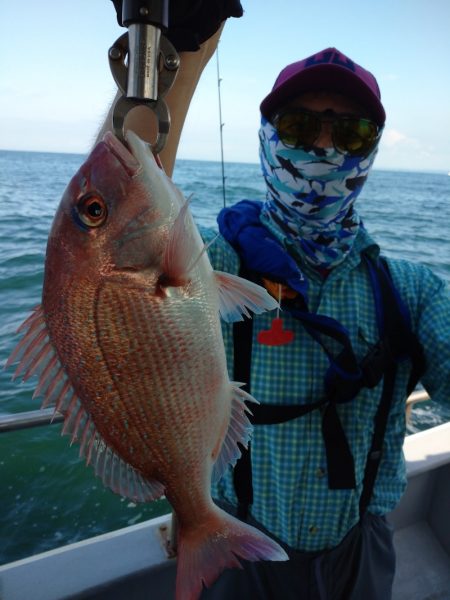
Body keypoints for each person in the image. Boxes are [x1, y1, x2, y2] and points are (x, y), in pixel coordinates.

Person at [100, 7, 450, 598]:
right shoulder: (209, 265)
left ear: (373, 150)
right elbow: (123, 220)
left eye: (352, 133)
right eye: (296, 127)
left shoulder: (414, 293)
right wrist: (181, 58)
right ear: (266, 136)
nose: (321, 147)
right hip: (236, 541)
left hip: (358, 549)